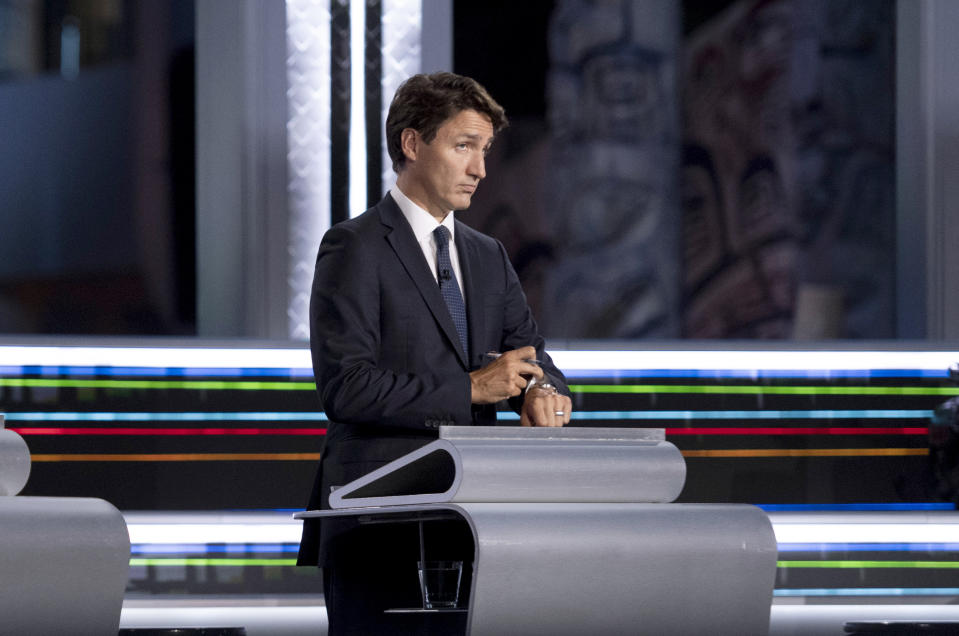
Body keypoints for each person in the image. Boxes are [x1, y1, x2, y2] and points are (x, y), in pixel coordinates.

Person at [297, 72, 572, 634]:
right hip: (379, 523)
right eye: (464, 146)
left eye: (485, 150)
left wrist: (544, 392)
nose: (480, 169)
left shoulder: (488, 254)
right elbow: (345, 386)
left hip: (477, 523)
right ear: (413, 143)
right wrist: (472, 388)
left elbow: (535, 359)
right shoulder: (354, 246)